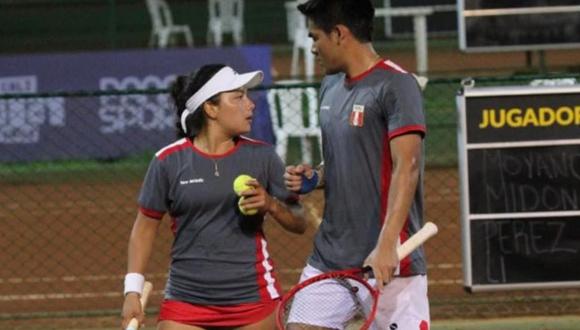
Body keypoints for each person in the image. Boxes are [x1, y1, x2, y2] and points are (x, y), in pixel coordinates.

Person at [121, 64, 307, 330]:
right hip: (186, 302)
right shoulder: (167, 161)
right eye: (239, 97)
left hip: (254, 301)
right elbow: (144, 228)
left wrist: (271, 205)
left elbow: (299, 222)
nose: (250, 105)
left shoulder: (263, 157)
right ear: (211, 109)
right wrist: (132, 291)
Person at [283, 0, 430, 329]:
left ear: (339, 34)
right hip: (330, 260)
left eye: (315, 38)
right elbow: (341, 158)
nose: (313, 49)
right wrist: (315, 177)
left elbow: (407, 166)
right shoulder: (330, 86)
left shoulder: (396, 85)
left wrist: (387, 244)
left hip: (389, 261)